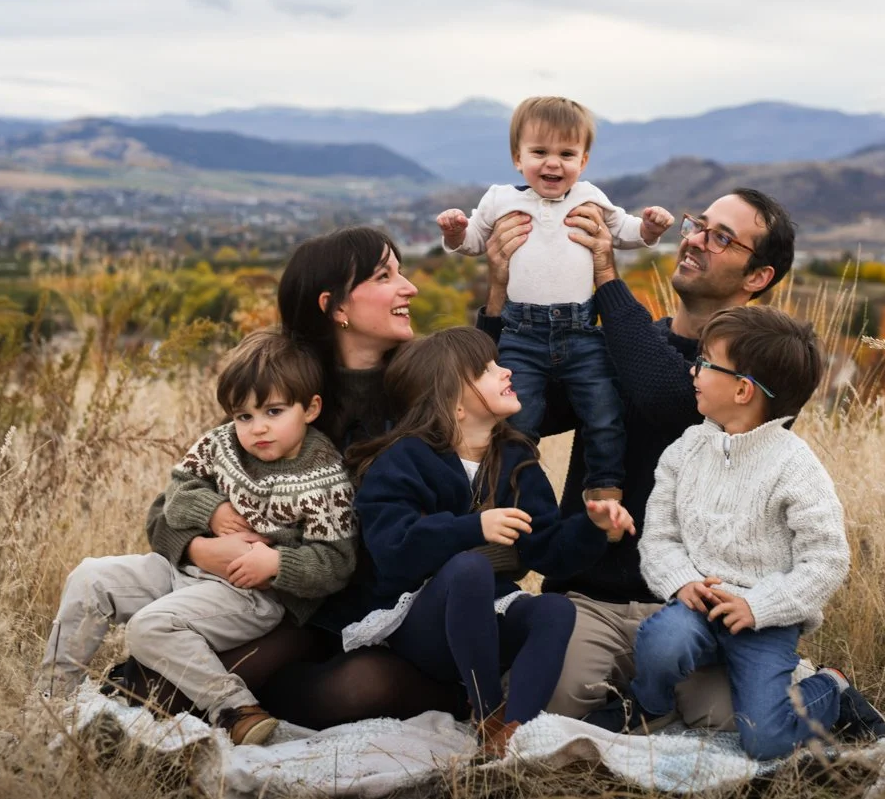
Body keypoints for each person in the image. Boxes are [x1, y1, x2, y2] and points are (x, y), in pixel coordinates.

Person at [127, 226, 472, 729]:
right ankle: (257, 699)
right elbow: (168, 509)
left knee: (359, 690)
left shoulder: (425, 387)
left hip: (392, 607)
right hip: (296, 604)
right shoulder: (283, 393)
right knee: (150, 689)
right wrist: (204, 547)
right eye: (385, 275)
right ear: (335, 307)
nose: (410, 287)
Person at [477, 188, 799, 727]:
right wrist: (498, 294)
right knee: (548, 712)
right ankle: (639, 712)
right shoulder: (615, 348)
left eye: (721, 238)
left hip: (691, 610)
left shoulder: (755, 385)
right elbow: (507, 409)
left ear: (757, 278)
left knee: (726, 720)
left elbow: (669, 400)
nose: (694, 239)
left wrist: (604, 276)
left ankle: (660, 707)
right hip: (588, 598)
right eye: (698, 224)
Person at [36, 328, 357, 745]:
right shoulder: (222, 445)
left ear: (310, 408)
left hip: (250, 595)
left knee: (150, 627)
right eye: (244, 416)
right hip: (183, 570)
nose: (257, 428)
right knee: (90, 576)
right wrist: (214, 510)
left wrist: (278, 563)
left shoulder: (324, 478)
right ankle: (49, 703)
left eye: (273, 412)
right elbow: (178, 492)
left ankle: (235, 708)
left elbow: (336, 562)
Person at [340, 327, 634, 755]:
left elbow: (547, 549)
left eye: (498, 362)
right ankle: (489, 711)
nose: (505, 371)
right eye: (485, 369)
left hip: (486, 621)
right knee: (469, 568)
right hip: (420, 626)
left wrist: (593, 527)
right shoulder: (403, 460)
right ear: (453, 404)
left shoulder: (514, 457)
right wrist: (473, 528)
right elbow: (393, 551)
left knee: (554, 608)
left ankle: (513, 730)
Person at [631, 305, 857, 759]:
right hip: (699, 604)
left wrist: (760, 605)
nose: (693, 370)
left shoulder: (795, 465)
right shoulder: (685, 451)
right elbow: (658, 537)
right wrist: (682, 582)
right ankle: (647, 711)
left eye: (705, 362)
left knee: (765, 740)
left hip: (765, 620)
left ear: (742, 389)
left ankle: (830, 686)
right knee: (661, 642)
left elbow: (827, 558)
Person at [437, 96, 674, 507]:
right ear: (517, 158)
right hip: (521, 333)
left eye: (566, 154)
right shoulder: (500, 199)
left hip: (582, 332)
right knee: (518, 420)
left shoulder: (589, 196)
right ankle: (514, 492)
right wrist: (455, 232)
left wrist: (651, 228)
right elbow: (474, 242)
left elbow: (626, 231)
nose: (553, 163)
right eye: (540, 152)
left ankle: (603, 487)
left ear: (583, 161)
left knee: (603, 411)